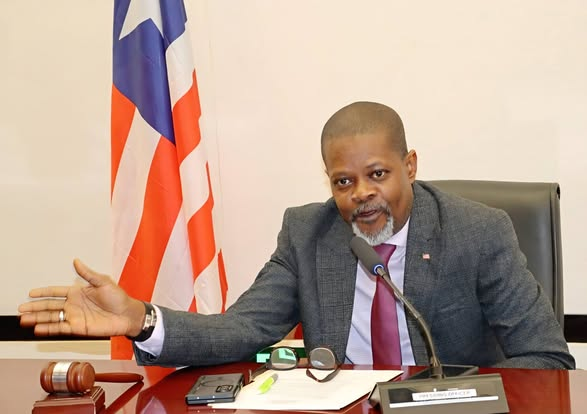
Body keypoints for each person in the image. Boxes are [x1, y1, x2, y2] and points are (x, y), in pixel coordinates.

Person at [19, 101, 575, 370]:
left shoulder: (478, 231)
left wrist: (457, 397)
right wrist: (141, 319)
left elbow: (546, 357)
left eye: (378, 174)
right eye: (343, 181)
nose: (361, 194)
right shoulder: (308, 233)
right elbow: (242, 328)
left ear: (409, 165)